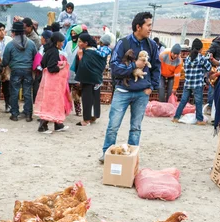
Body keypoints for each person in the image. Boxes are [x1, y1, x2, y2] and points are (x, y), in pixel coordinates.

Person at [99, 12, 160, 163]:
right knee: (113, 126)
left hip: (142, 93)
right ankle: (107, 153)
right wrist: (134, 66)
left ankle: (132, 157)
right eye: (148, 25)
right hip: (122, 91)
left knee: (136, 128)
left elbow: (156, 68)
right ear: (138, 27)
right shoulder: (123, 43)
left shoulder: (152, 46)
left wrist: (151, 87)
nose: (150, 28)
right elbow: (114, 67)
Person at [35, 31, 70, 133]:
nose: (62, 44)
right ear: (57, 42)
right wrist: (61, 67)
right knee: (51, 103)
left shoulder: (48, 50)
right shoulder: (54, 52)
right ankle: (42, 126)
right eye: (62, 42)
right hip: (53, 83)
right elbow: (51, 68)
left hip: (47, 81)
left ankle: (58, 125)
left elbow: (43, 63)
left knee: (53, 103)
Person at [2, 21, 37, 122]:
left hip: (15, 70)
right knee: (27, 93)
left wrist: (3, 66)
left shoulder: (10, 45)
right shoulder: (31, 43)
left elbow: (5, 61)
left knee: (14, 93)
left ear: (13, 32)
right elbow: (35, 57)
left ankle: (14, 114)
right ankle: (28, 114)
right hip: (28, 70)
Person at [72, 33, 109, 126]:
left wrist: (80, 57)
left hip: (87, 78)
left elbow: (83, 66)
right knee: (95, 97)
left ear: (86, 43)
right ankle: (95, 116)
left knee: (86, 98)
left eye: (80, 42)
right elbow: (101, 65)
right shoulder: (98, 52)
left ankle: (86, 120)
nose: (78, 43)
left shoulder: (85, 52)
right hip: (97, 78)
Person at [172, 39, 211, 125]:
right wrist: (202, 70)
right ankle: (199, 120)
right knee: (198, 101)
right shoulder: (201, 58)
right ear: (200, 49)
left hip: (188, 83)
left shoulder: (187, 59)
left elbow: (186, 70)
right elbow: (209, 67)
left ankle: (176, 117)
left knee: (183, 101)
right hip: (197, 84)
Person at [63, 24, 84, 116]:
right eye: (72, 33)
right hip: (67, 72)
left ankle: (78, 110)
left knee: (76, 94)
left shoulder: (81, 46)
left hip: (77, 72)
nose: (73, 35)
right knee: (66, 92)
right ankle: (65, 109)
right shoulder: (68, 44)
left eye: (75, 33)